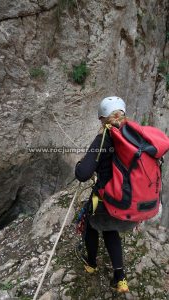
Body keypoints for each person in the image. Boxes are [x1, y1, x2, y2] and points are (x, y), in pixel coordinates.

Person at [75, 96, 138, 293]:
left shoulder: (103, 138)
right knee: (110, 229)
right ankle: (120, 279)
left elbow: (83, 174)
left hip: (107, 199)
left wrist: (80, 165)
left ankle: (92, 264)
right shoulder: (135, 134)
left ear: (103, 119)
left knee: (90, 224)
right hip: (131, 202)